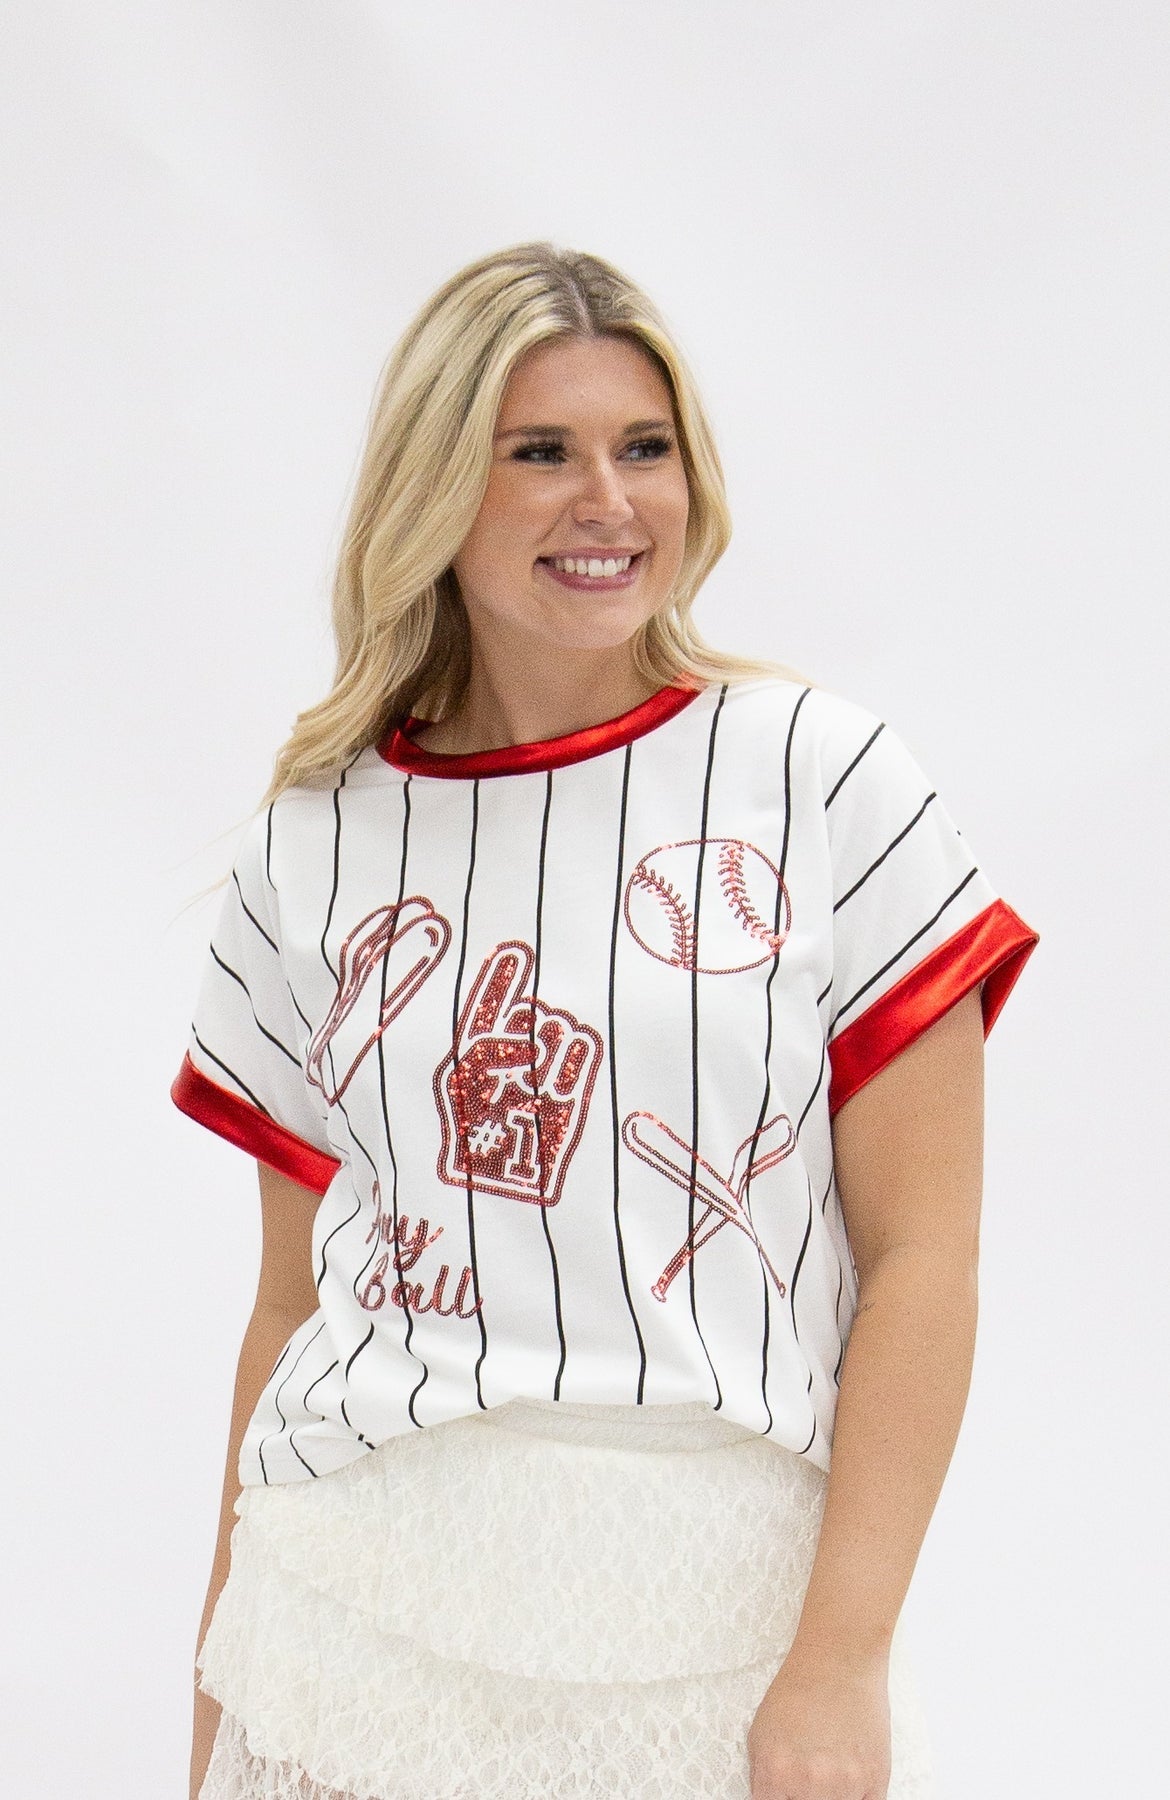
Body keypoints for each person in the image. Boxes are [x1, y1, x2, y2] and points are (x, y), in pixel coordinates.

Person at [173, 241, 1039, 1800]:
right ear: (436, 486)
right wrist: (214, 1702)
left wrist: (841, 1660)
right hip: (348, 1614)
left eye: (644, 449)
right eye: (540, 453)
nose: (608, 502)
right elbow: (289, 1308)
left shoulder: (820, 781)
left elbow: (923, 1258)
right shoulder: (313, 840)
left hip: (712, 1619)